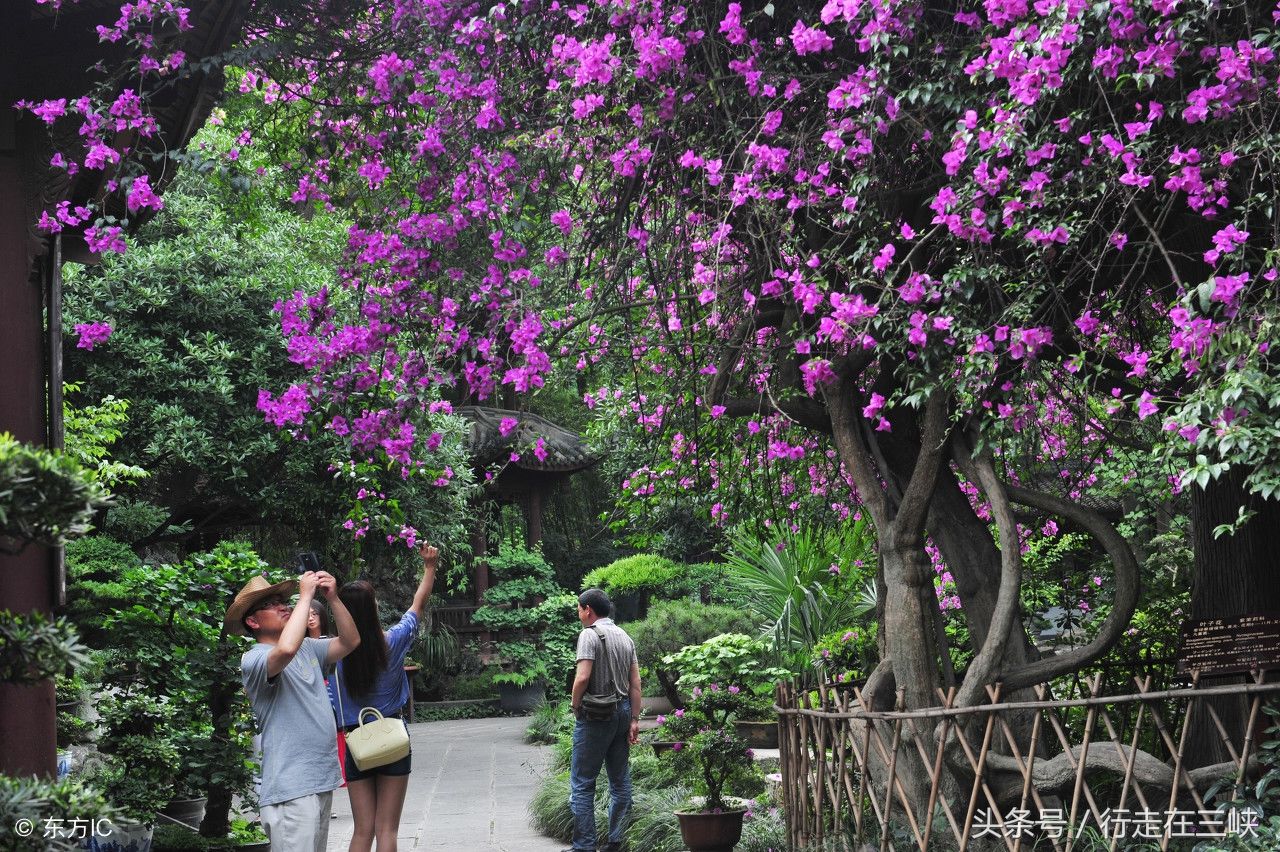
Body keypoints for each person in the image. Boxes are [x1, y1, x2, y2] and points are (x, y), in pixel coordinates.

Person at [225, 569, 360, 852]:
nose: (282, 605)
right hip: (290, 787)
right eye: (270, 604)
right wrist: (306, 596)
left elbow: (350, 641)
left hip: (319, 779)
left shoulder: (308, 648)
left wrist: (333, 598)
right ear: (252, 621)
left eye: (282, 600)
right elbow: (285, 650)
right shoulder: (254, 659)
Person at [328, 542, 439, 852]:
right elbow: (418, 604)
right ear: (371, 608)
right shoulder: (392, 642)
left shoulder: (333, 654)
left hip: (356, 743)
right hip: (392, 739)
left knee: (362, 830)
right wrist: (429, 567)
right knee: (387, 830)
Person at [566, 588, 642, 852]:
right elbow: (636, 684)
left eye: (579, 609)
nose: (578, 614)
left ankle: (584, 847)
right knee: (620, 781)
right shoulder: (625, 636)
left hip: (596, 714)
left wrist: (575, 705)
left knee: (583, 783)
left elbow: (583, 677)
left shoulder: (588, 635)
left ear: (588, 609)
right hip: (622, 713)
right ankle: (616, 842)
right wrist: (634, 718)